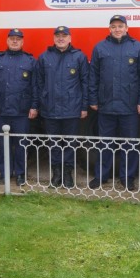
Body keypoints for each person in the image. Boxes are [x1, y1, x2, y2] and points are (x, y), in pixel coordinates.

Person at [88, 14, 140, 191]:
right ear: (109, 29)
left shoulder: (138, 48)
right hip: (106, 105)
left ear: (126, 28)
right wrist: (93, 99)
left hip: (130, 106)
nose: (117, 29)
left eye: (120, 26)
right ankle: (101, 176)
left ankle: (127, 177)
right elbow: (94, 75)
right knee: (104, 143)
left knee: (130, 144)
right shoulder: (100, 47)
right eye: (114, 26)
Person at [36, 26, 89, 188]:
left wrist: (84, 106)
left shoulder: (79, 57)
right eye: (58, 36)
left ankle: (67, 175)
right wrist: (40, 104)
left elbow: (85, 83)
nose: (61, 38)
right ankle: (56, 174)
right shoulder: (44, 57)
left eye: (64, 36)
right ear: (53, 38)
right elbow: (38, 83)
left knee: (70, 143)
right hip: (50, 109)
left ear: (70, 38)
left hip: (71, 109)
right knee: (53, 144)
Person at [0, 29, 38, 186]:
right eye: (12, 39)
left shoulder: (30, 61)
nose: (15, 41)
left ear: (22, 42)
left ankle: (21, 174)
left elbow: (35, 86)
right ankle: (5, 173)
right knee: (3, 145)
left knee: (22, 145)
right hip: (2, 110)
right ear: (7, 41)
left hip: (22, 111)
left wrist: (34, 106)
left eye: (18, 39)